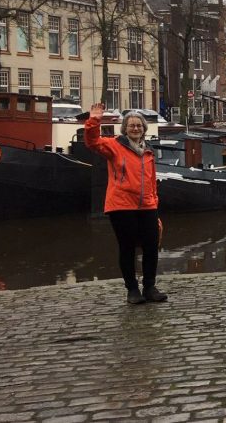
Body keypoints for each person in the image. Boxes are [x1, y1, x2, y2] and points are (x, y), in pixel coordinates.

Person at [84, 103, 167, 305]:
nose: (135, 128)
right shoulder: (114, 146)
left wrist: (154, 204)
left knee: (151, 247)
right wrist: (94, 120)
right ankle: (132, 289)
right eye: (131, 125)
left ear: (144, 129)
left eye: (139, 125)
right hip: (121, 205)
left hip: (147, 205)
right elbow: (92, 142)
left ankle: (149, 287)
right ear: (125, 129)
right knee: (127, 247)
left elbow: (151, 180)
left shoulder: (148, 152)